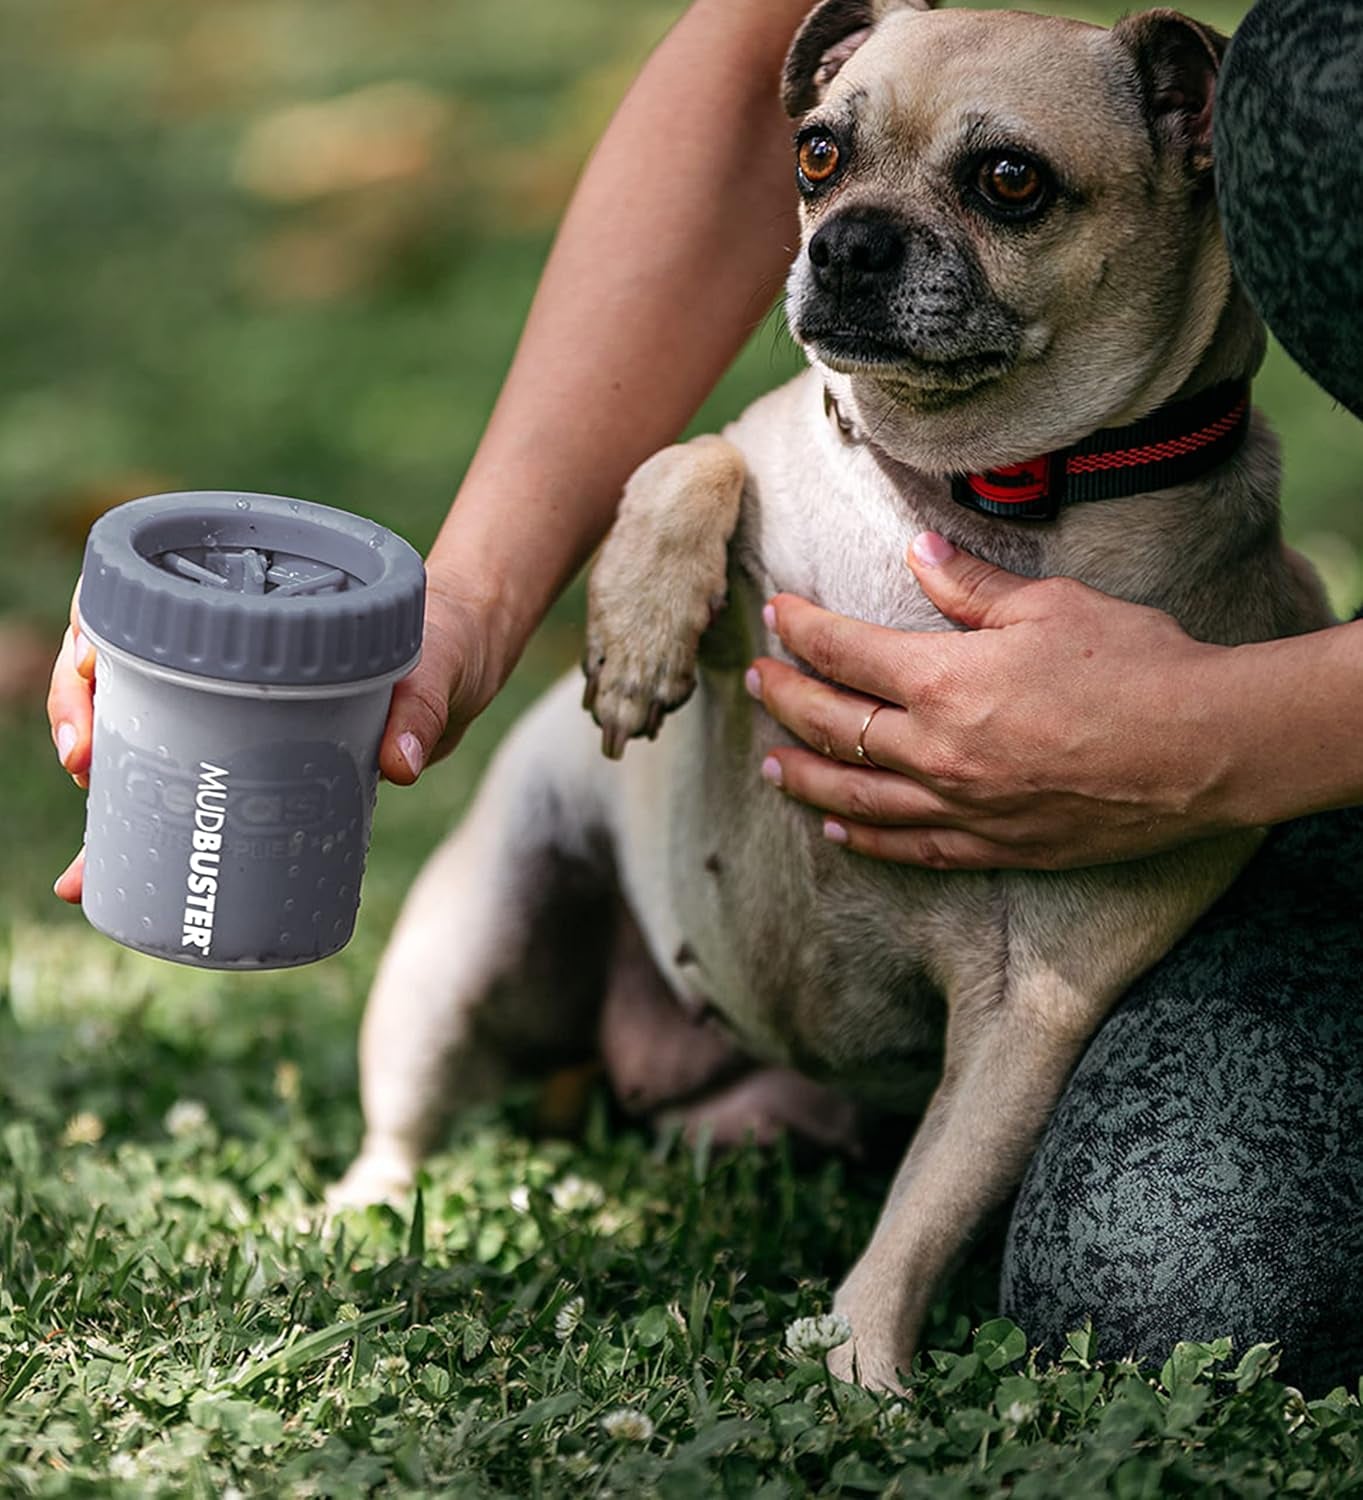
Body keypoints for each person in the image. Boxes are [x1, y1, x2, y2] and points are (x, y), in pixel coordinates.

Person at [46, 0, 1363, 1389]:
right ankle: (409, 1146)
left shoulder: (1228, 579)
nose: (861, 234)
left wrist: (1237, 733)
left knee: (1176, 1299)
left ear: (1185, 139)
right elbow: (748, 43)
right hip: (664, 899)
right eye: (826, 166)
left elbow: (1034, 991)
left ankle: (830, 1160)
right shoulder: (771, 463)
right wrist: (479, 595)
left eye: (1007, 187)